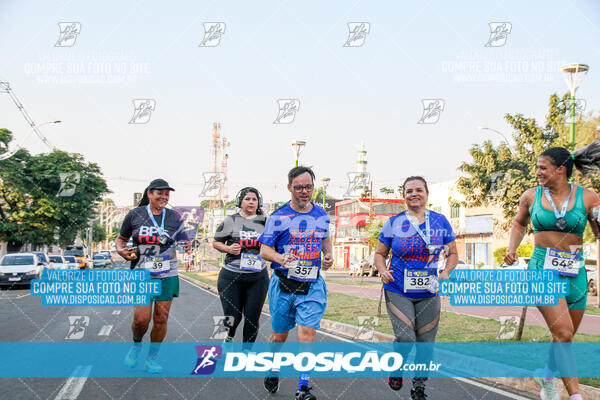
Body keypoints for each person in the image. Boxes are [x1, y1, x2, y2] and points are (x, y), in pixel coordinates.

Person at [504, 145, 600, 400]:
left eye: (542, 168)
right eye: (537, 168)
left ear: (560, 170)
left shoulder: (589, 197)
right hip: (542, 269)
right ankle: (575, 396)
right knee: (564, 333)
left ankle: (546, 375)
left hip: (575, 271)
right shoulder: (531, 196)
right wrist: (512, 248)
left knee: (563, 337)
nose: (537, 173)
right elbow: (519, 223)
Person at [375, 176, 458, 400]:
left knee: (426, 344)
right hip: (398, 288)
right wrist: (382, 270)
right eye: (409, 191)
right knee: (405, 338)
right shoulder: (393, 223)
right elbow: (380, 254)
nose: (414, 194)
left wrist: (446, 271)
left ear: (426, 194)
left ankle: (418, 387)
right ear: (404, 196)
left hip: (429, 292)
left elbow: (453, 253)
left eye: (418, 190)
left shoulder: (440, 221)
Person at [259, 166, 333, 400]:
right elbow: (264, 250)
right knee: (279, 337)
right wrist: (280, 258)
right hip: (283, 285)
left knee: (306, 334)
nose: (304, 191)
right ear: (289, 187)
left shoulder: (321, 214)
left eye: (308, 186)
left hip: (311, 285)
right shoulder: (277, 217)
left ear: (313, 187)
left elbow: (326, 238)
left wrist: (328, 255)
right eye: (299, 187)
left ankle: (303, 387)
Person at [116, 178, 189, 373]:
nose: (164, 197)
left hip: (168, 272)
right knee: (141, 319)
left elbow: (184, 241)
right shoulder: (135, 215)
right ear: (149, 193)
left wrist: (186, 244)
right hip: (142, 272)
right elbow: (121, 239)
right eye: (160, 193)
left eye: (167, 194)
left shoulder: (175, 217)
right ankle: (136, 345)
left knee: (161, 318)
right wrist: (120, 250)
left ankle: (152, 358)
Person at [212, 187, 269, 348]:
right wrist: (228, 249)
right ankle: (229, 336)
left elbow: (275, 244)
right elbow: (216, 242)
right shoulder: (231, 220)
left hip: (258, 277)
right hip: (231, 276)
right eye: (247, 199)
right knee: (233, 316)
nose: (251, 202)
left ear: (259, 203)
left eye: (254, 199)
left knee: (252, 316)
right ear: (240, 202)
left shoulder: (266, 222)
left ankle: (246, 351)